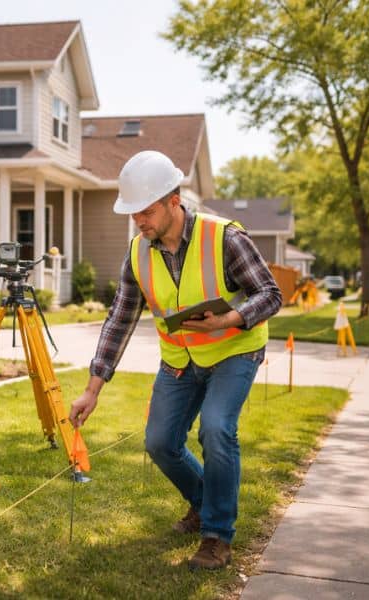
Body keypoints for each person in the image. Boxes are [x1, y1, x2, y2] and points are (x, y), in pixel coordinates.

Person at [69, 150, 282, 570]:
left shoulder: (225, 238)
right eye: (133, 214)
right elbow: (120, 319)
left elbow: (271, 294)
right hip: (180, 360)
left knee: (217, 429)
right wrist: (92, 389)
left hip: (234, 350)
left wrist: (230, 319)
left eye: (146, 211)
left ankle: (217, 536)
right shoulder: (138, 253)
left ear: (173, 200)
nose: (139, 221)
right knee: (160, 443)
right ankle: (205, 502)